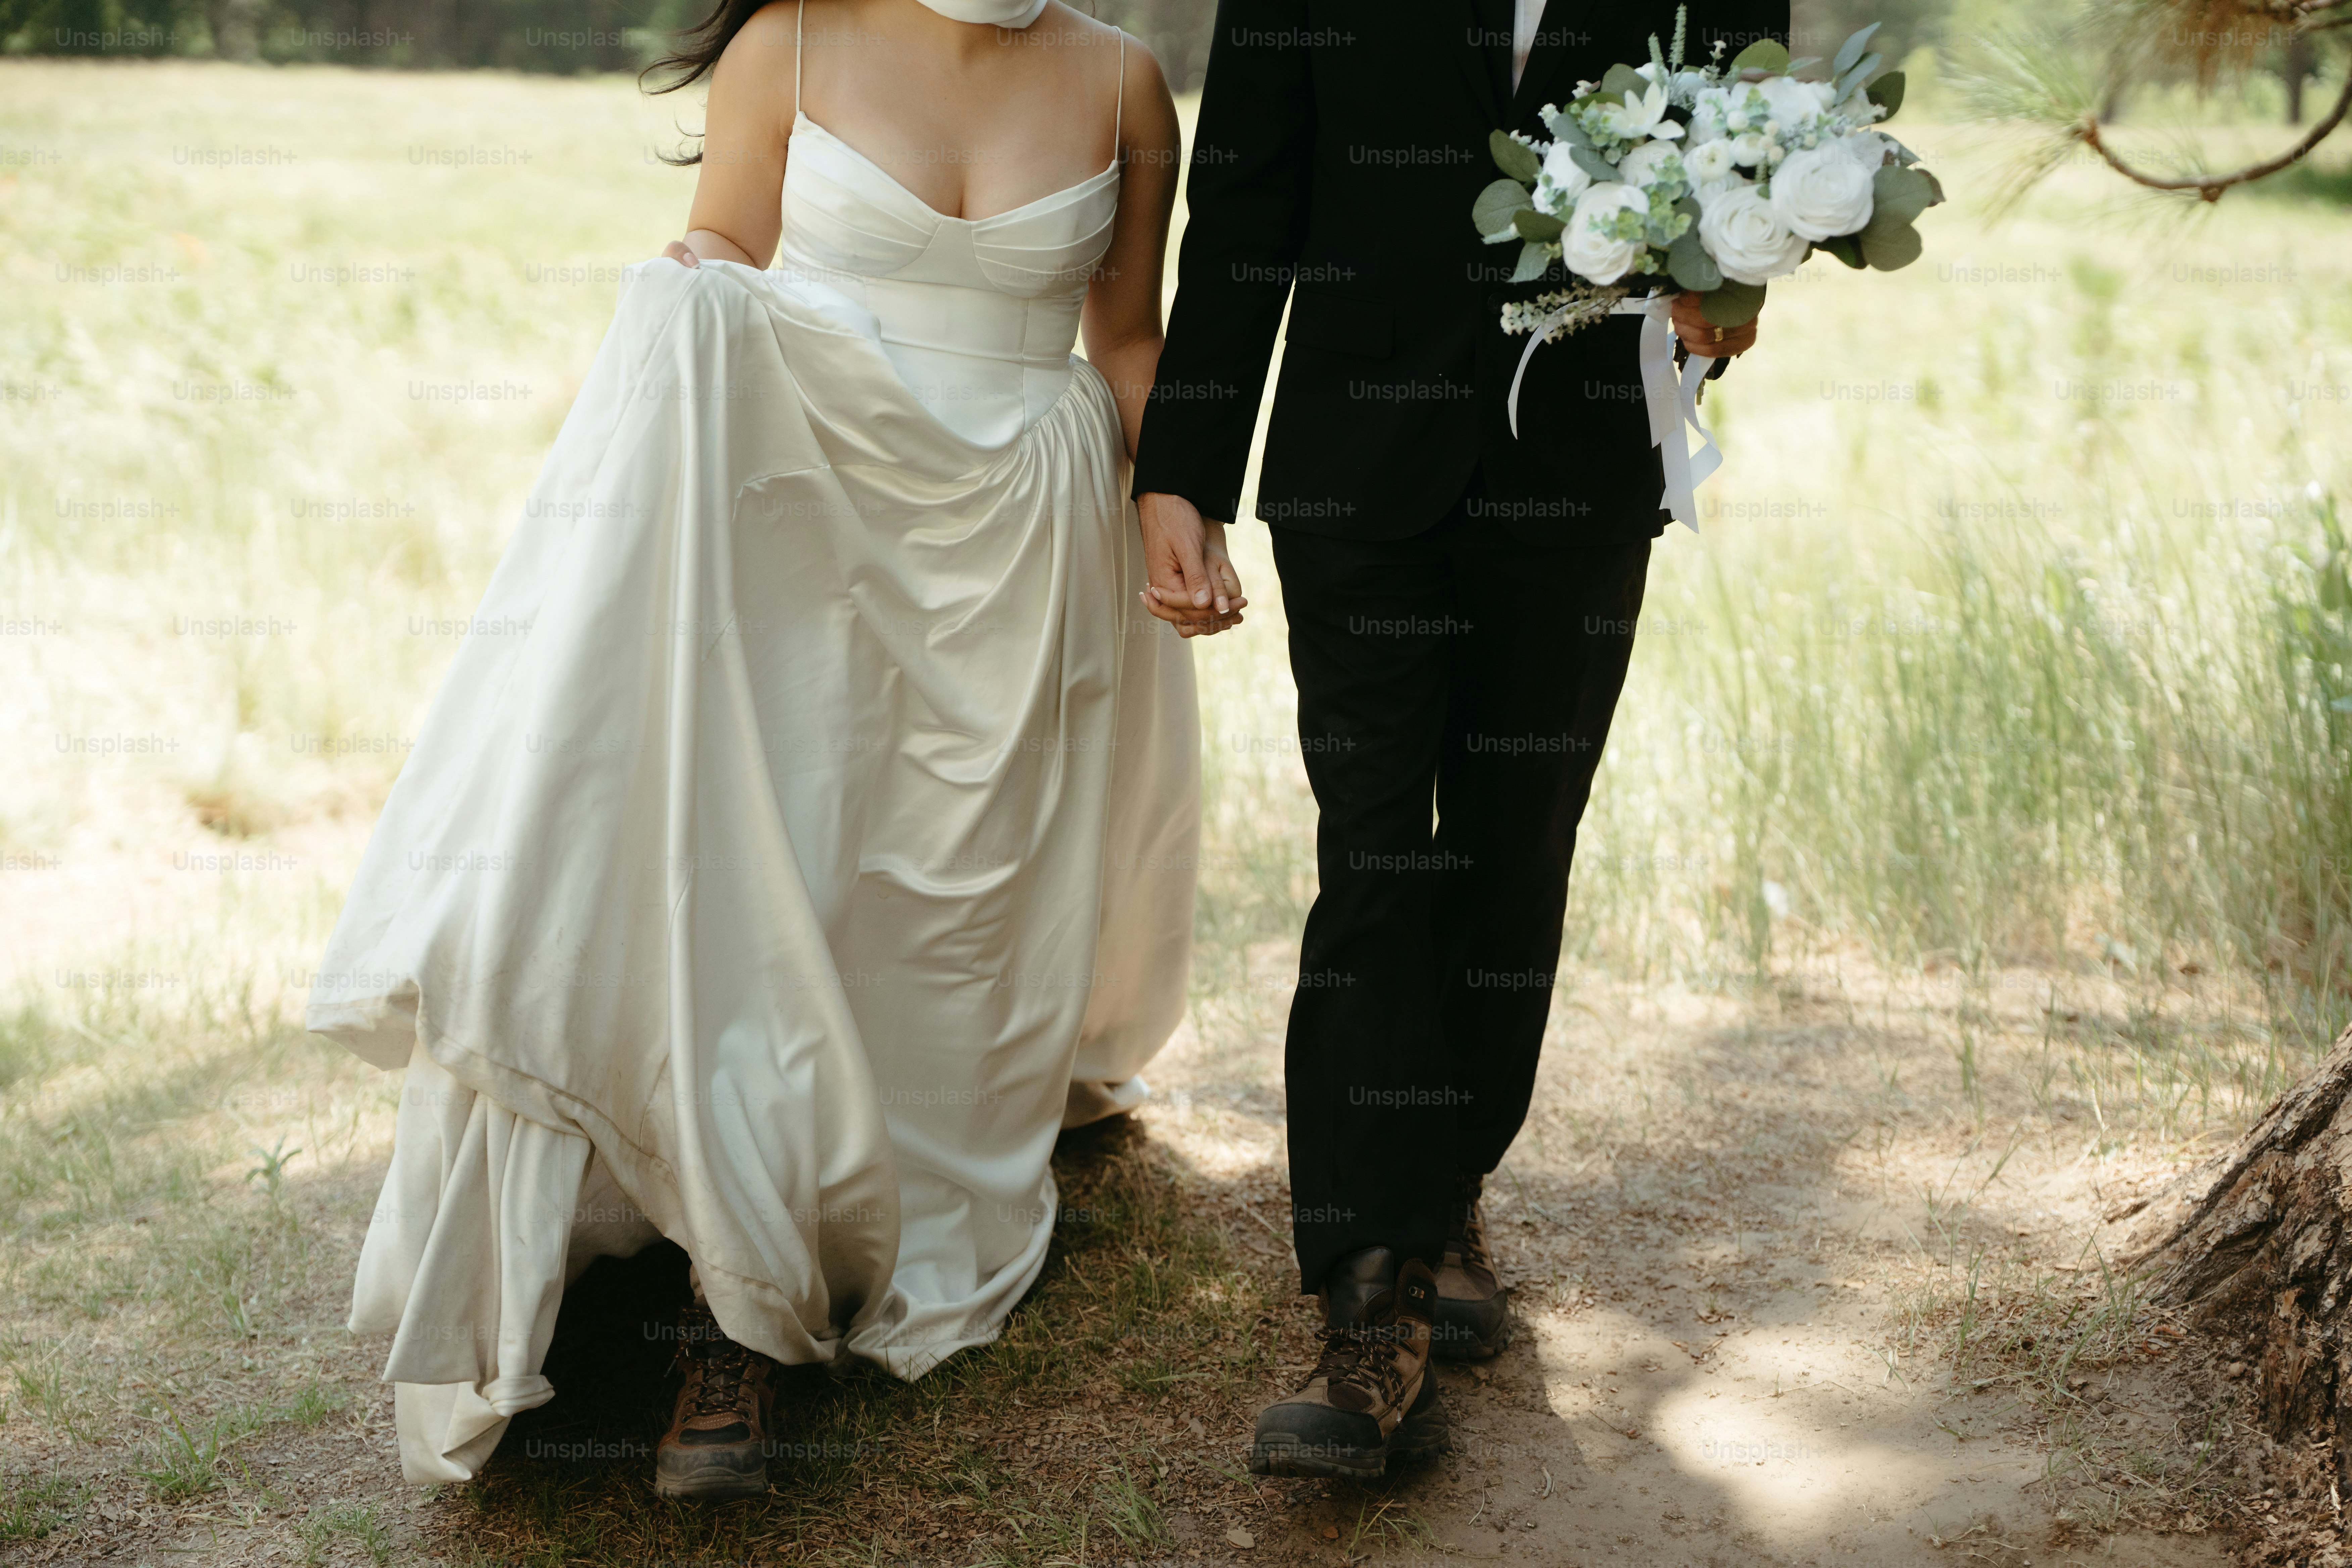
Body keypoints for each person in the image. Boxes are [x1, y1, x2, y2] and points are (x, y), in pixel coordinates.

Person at [305, 0, 1202, 1499]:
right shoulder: (786, 44)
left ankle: (879, 1190)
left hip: (1017, 555)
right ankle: (738, 1308)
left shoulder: (1124, 82)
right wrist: (680, 303)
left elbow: (1124, 337)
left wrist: (1178, 503)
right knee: (781, 879)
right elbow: (725, 246)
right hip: (811, 511)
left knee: (948, 924)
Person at [1129, 0, 1784, 1480]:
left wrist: (1733, 301)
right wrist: (1186, 468)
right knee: (1373, 851)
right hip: (1358, 466)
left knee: (1512, 846)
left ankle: (1449, 1183)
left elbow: (1742, 175)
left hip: (1579, 473)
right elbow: (1244, 202)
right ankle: (1370, 1295)